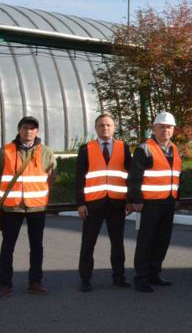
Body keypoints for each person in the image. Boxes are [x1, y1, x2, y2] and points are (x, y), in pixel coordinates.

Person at [0, 116, 57, 300]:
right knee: (7, 247)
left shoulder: (46, 152)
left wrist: (37, 193)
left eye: (33, 128)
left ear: (37, 131)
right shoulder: (5, 151)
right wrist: (6, 195)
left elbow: (52, 177)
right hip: (12, 207)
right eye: (25, 128)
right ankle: (5, 285)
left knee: (37, 246)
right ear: (19, 129)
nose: (29, 131)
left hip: (37, 207)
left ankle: (35, 282)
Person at [75, 113, 131, 292]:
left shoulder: (124, 148)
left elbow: (131, 177)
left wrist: (130, 200)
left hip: (117, 204)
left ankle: (119, 276)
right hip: (93, 204)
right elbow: (79, 179)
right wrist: (80, 203)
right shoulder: (86, 149)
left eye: (108, 125)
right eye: (101, 125)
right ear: (96, 128)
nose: (105, 128)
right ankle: (85, 279)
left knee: (118, 243)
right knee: (88, 243)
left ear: (114, 127)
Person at [128, 112, 182, 293]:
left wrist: (176, 198)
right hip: (150, 203)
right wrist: (137, 199)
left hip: (168, 202)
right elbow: (135, 177)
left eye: (168, 127)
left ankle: (154, 273)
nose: (165, 130)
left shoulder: (174, 149)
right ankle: (141, 278)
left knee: (162, 240)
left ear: (173, 130)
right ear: (154, 128)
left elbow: (176, 176)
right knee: (146, 241)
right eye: (161, 127)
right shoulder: (144, 149)